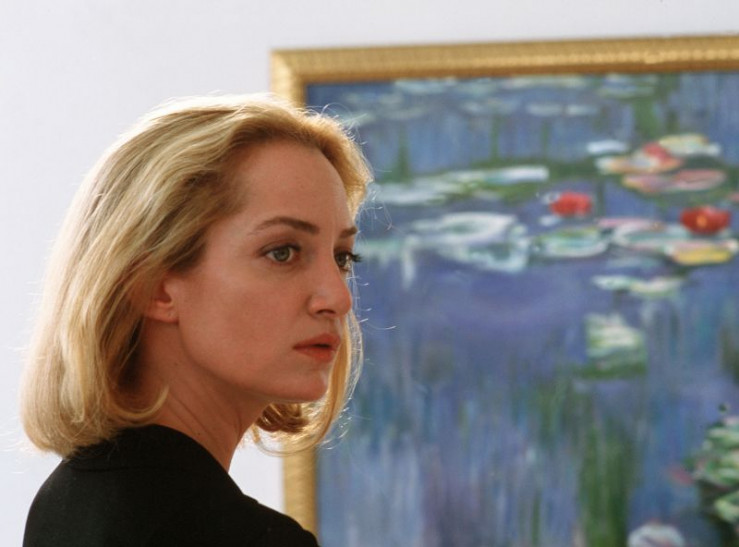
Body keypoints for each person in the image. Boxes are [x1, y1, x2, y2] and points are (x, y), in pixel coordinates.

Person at [21, 94, 371, 546]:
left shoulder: (66, 499)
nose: (338, 298)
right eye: (282, 252)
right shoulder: (240, 536)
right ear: (152, 284)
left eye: (342, 257)